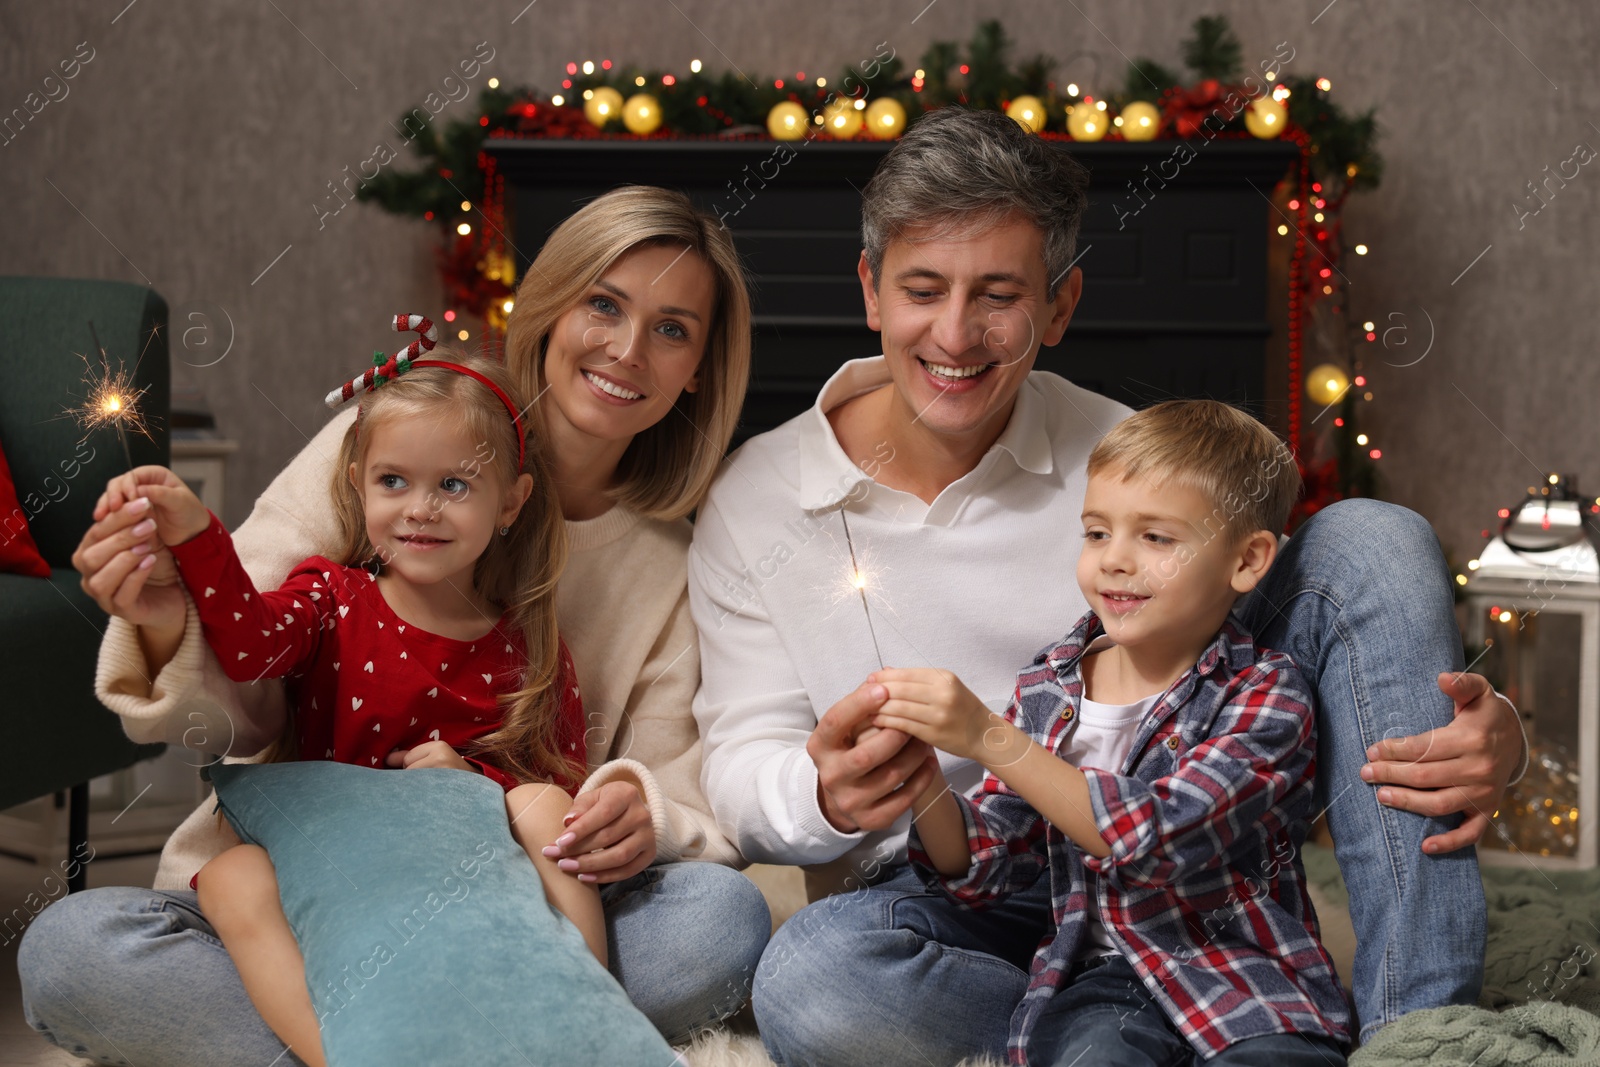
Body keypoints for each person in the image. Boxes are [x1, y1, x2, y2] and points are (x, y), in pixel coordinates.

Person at [686, 107, 1522, 1066]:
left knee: (1374, 537)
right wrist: (825, 792)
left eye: (998, 294)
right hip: (959, 887)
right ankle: (1156, 1020)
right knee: (812, 978)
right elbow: (740, 764)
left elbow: (1270, 679)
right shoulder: (757, 497)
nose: (956, 333)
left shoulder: (1126, 460)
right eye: (924, 289)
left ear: (1061, 304)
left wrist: (1481, 725)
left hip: (1184, 857)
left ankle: (1419, 1034)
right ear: (872, 289)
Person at [23, 186, 769, 1067]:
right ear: (551, 305)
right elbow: (247, 673)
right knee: (71, 951)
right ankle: (491, 1041)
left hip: (512, 893)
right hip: (307, 883)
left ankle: (415, 1036)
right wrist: (164, 616)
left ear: (700, 369)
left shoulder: (672, 558)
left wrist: (637, 809)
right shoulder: (388, 438)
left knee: (719, 926)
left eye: (673, 329)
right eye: (603, 304)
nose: (628, 348)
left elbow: (666, 784)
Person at [116, 351, 604, 1067]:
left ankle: (585, 1021)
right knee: (225, 876)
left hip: (468, 896)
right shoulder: (330, 597)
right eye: (393, 480)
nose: (421, 508)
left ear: (511, 501)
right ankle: (344, 1055)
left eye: (455, 484)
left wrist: (473, 782)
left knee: (548, 806)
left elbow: (564, 783)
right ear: (357, 483)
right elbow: (249, 647)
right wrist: (196, 536)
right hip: (328, 887)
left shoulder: (525, 644)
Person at [882, 400, 1348, 1066]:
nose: (1115, 561)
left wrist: (989, 737)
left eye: (1155, 538)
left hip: (1239, 972)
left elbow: (1158, 837)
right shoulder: (1049, 683)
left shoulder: (1267, 693)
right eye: (1097, 533)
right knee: (1091, 1053)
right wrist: (922, 778)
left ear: (1246, 561)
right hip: (1100, 975)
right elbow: (992, 860)